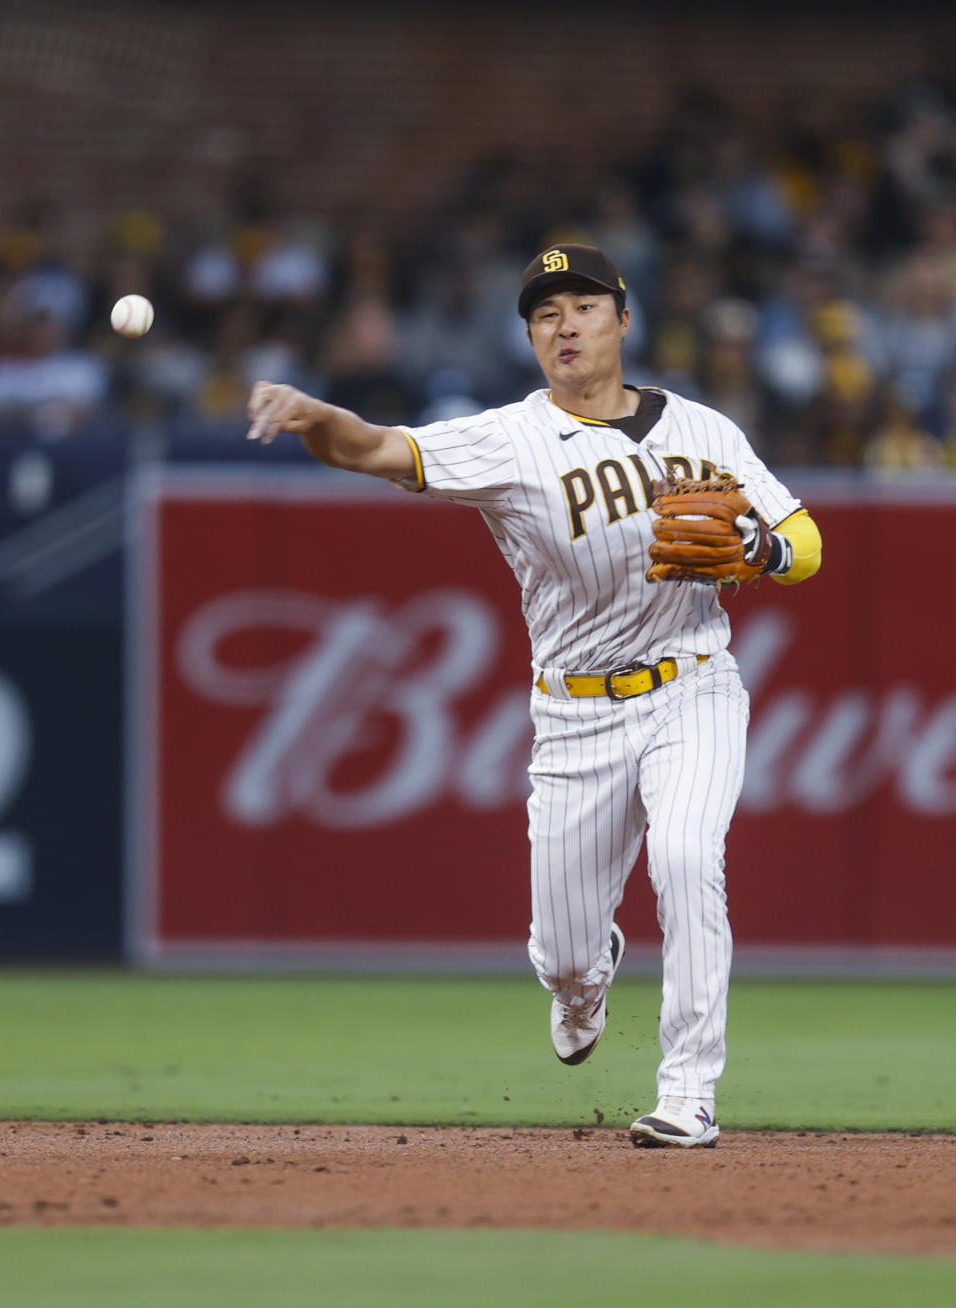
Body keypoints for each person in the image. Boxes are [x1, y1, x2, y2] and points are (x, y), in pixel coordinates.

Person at [246, 243, 822, 1149]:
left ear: (623, 321)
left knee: (684, 856)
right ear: (529, 337)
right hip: (575, 713)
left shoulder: (706, 429)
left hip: (694, 683)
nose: (565, 324)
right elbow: (366, 447)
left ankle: (689, 1093)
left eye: (584, 306)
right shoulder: (509, 440)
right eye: (545, 313)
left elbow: (805, 541)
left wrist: (759, 552)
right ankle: (584, 981)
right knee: (559, 952)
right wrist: (316, 411)